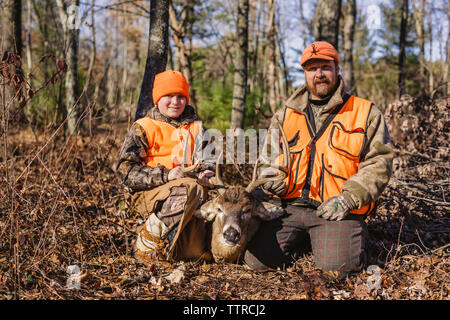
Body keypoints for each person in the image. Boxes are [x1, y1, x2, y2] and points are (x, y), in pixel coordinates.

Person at [244, 41, 394, 276]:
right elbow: (267, 159)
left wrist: (350, 198)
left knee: (339, 269)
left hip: (336, 210)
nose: (319, 74)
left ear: (337, 68)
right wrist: (272, 179)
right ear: (305, 73)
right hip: (289, 207)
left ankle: (339, 239)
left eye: (325, 67)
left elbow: (378, 163)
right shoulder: (285, 114)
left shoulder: (365, 112)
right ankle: (308, 240)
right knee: (255, 262)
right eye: (312, 69)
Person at [115, 70, 215, 263]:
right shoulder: (143, 126)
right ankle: (148, 240)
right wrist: (165, 176)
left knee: (192, 252)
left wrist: (206, 174)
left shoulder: (197, 128)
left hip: (191, 194)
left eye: (180, 96)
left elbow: (208, 161)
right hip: (151, 192)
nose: (175, 102)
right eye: (168, 96)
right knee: (189, 187)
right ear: (157, 99)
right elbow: (125, 171)